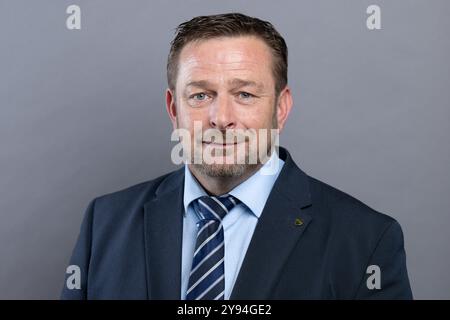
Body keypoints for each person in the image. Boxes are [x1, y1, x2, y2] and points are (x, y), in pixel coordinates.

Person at [61, 13, 413, 300]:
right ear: (173, 109)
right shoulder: (104, 222)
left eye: (244, 94)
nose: (221, 117)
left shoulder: (366, 241)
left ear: (281, 108)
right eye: (200, 96)